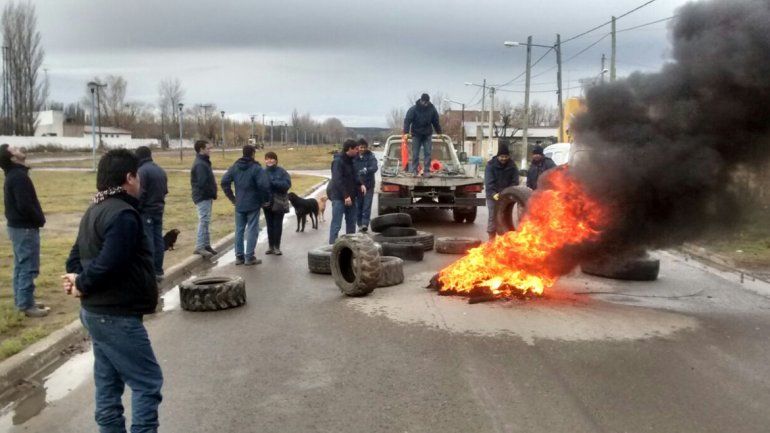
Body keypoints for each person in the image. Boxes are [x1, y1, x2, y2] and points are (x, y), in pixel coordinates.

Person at [62, 149, 163, 433]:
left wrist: (76, 278)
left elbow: (74, 258)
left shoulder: (94, 209)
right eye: (138, 178)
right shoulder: (123, 214)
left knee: (108, 386)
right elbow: (110, 262)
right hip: (116, 316)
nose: (140, 184)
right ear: (129, 178)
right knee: (147, 384)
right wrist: (80, 283)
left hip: (96, 313)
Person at [0, 144, 49, 317]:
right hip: (25, 228)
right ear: (13, 158)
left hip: (18, 227)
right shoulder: (18, 177)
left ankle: (23, 300)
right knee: (28, 266)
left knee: (20, 266)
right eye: (14, 149)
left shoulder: (15, 175)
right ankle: (27, 305)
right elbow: (24, 205)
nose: (19, 148)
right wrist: (39, 219)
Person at [221, 145, 270, 265]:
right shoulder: (256, 168)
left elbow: (224, 182)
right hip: (253, 203)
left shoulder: (235, 167)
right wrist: (265, 200)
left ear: (243, 153)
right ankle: (249, 257)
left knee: (239, 230)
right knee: (252, 229)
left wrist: (232, 198)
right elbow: (264, 185)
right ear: (253, 154)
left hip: (239, 203)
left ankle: (239, 257)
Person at [135, 146, 168, 282]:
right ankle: (159, 270)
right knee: (158, 240)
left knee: (148, 242)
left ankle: (151, 273)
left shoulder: (142, 171)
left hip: (146, 211)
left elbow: (140, 193)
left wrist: (137, 208)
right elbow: (165, 191)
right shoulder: (160, 170)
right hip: (159, 209)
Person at [329, 139, 364, 244]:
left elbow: (354, 176)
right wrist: (345, 196)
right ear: (350, 149)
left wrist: (361, 184)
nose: (358, 151)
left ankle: (350, 247)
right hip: (339, 197)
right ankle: (332, 247)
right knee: (336, 224)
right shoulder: (338, 161)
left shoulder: (352, 161)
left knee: (351, 223)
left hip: (351, 197)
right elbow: (337, 180)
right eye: (356, 149)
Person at [484, 144, 519, 240]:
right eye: (502, 156)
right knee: (493, 215)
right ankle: (491, 236)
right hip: (493, 195)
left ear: (508, 156)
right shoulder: (490, 165)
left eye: (506, 156)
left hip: (506, 196)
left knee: (506, 215)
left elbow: (515, 181)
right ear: (498, 156)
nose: (503, 158)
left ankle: (506, 237)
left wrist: (508, 193)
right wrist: (493, 194)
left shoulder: (512, 165)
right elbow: (489, 182)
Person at [190, 140, 218, 258]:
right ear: (201, 149)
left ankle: (206, 245)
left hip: (206, 196)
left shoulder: (204, 162)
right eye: (208, 148)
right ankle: (200, 247)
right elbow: (202, 183)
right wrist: (212, 192)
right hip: (202, 197)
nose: (209, 150)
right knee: (203, 221)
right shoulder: (200, 164)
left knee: (206, 221)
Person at [403, 93, 442, 176]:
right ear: (421, 100)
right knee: (415, 153)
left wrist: (439, 132)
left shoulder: (432, 109)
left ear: (428, 102)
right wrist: (406, 133)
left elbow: (436, 121)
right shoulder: (413, 109)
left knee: (428, 152)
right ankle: (414, 171)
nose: (425, 104)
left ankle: (427, 171)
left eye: (427, 102)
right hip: (416, 134)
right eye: (424, 102)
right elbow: (407, 121)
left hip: (427, 134)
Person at [263, 151, 291, 255]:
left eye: (271, 158)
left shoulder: (282, 172)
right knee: (269, 225)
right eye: (267, 158)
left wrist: (274, 182)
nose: (269, 160)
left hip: (279, 202)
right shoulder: (262, 172)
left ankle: (277, 247)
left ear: (276, 160)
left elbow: (287, 184)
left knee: (277, 224)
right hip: (266, 202)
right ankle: (270, 246)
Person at [353, 138, 378, 232]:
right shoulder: (354, 157)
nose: (362, 149)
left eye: (364, 147)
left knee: (367, 205)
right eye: (361, 147)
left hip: (369, 185)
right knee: (359, 205)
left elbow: (374, 167)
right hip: (358, 185)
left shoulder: (371, 156)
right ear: (357, 147)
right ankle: (359, 223)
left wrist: (366, 169)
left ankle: (364, 224)